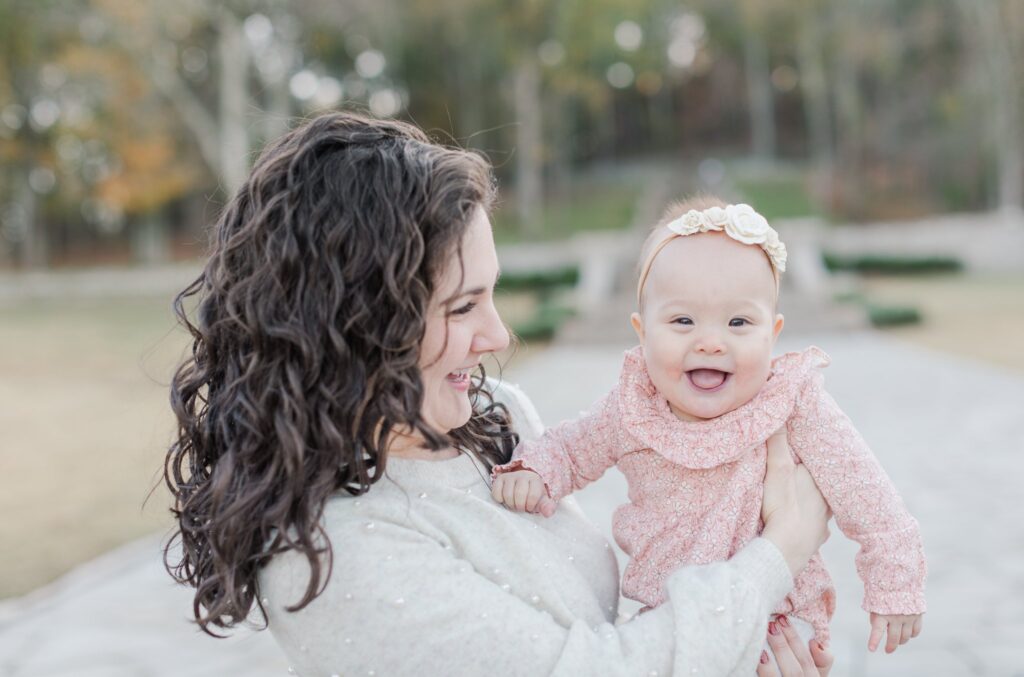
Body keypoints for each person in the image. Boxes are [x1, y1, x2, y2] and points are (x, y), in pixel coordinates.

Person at [164, 112, 834, 676]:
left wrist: (750, 649)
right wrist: (780, 550)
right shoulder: (336, 558)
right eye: (462, 307)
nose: (497, 333)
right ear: (356, 325)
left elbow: (614, 640)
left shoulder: (496, 419)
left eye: (493, 294)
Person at [492, 197, 927, 653]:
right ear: (641, 333)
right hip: (670, 620)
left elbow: (864, 489)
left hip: (777, 618)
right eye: (683, 320)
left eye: (739, 322)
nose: (711, 342)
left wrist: (894, 579)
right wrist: (535, 471)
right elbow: (571, 447)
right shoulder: (634, 407)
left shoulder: (791, 399)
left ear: (773, 333)